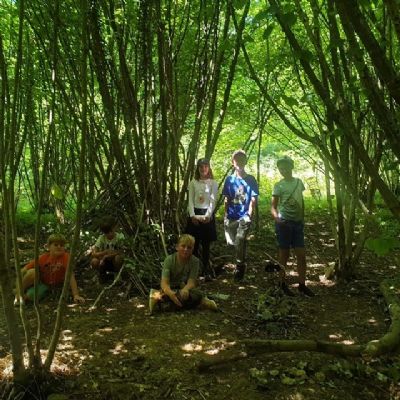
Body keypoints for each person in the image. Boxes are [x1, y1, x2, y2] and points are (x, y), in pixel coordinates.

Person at [271, 156, 314, 297]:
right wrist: (277, 219)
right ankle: (281, 284)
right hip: (284, 223)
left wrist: (302, 217)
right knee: (284, 254)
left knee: (301, 255)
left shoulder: (298, 182)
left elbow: (301, 200)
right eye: (281, 168)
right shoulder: (278, 185)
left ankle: (302, 285)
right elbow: (273, 206)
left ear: (291, 167)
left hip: (297, 223)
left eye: (285, 167)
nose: (283, 170)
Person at [148, 234, 217, 314]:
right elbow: (164, 283)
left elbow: (191, 282)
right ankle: (158, 297)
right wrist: (170, 293)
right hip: (171, 288)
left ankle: (199, 302)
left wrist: (185, 289)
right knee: (165, 295)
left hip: (183, 287)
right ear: (177, 247)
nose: (186, 249)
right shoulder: (169, 260)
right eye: (183, 246)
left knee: (198, 294)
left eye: (189, 247)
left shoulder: (195, 261)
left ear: (192, 249)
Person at [15, 233, 84, 305]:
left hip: (48, 285)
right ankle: (18, 295)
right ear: (48, 247)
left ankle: (24, 297)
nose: (59, 247)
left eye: (62, 245)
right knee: (32, 272)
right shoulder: (43, 258)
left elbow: (70, 276)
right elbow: (23, 271)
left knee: (31, 295)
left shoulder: (66, 257)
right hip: (41, 281)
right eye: (56, 245)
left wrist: (76, 295)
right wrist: (18, 288)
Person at [222, 149, 259, 281]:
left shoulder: (251, 179)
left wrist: (249, 215)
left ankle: (240, 266)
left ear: (245, 162)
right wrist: (225, 214)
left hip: (244, 216)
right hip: (231, 215)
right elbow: (226, 198)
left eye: (242, 160)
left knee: (240, 239)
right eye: (237, 160)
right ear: (233, 162)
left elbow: (253, 199)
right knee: (232, 243)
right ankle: (240, 257)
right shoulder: (229, 179)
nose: (239, 162)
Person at [185, 158, 218, 280]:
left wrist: (208, 215)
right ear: (197, 169)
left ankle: (205, 271)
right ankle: (193, 271)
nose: (203, 169)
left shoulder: (213, 183)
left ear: (209, 168)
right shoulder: (193, 182)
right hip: (195, 214)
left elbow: (213, 200)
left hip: (207, 215)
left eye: (205, 166)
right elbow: (190, 200)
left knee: (206, 245)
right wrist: (192, 215)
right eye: (201, 167)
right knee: (193, 244)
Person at [91, 216, 125, 283]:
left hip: (114, 262)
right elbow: (94, 253)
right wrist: (104, 253)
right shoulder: (101, 238)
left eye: (111, 231)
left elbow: (122, 251)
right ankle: (101, 274)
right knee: (94, 261)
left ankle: (117, 274)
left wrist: (110, 255)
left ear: (114, 228)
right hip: (103, 262)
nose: (110, 234)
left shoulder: (119, 237)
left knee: (118, 258)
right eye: (107, 232)